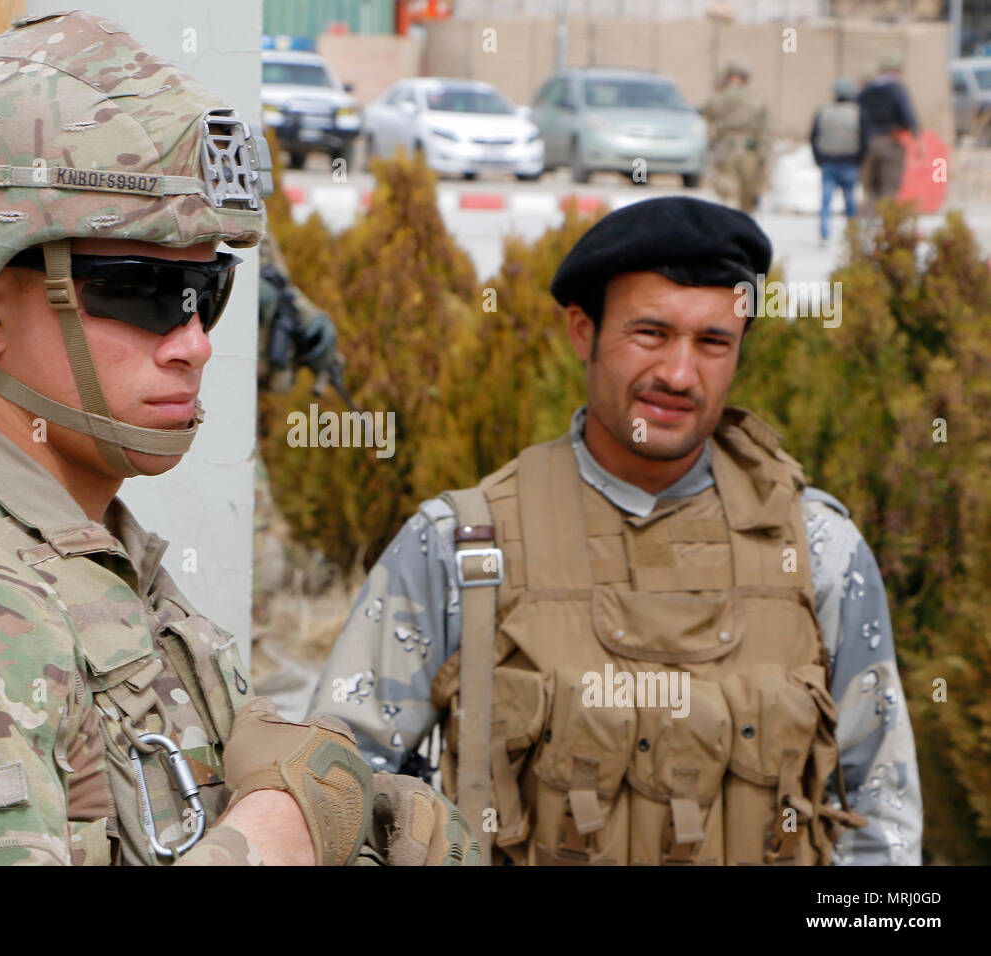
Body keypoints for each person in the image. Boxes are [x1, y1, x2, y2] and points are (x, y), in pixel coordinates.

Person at [0, 10, 476, 868]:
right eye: (138, 289)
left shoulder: (90, 565)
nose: (194, 341)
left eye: (205, 289)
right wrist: (282, 831)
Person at [309, 196, 923, 866]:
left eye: (713, 342)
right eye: (651, 334)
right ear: (583, 331)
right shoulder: (463, 547)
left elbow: (881, 821)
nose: (679, 374)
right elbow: (334, 789)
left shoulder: (818, 552)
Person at [702, 60, 770, 215]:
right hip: (750, 152)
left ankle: (731, 223)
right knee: (747, 198)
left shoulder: (718, 98)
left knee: (729, 194)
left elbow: (707, 123)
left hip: (726, 150)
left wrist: (713, 145)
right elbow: (766, 130)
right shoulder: (757, 100)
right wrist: (763, 155)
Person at [857, 52, 920, 216]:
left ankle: (868, 230)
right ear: (897, 70)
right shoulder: (897, 90)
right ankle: (885, 231)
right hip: (890, 143)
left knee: (870, 189)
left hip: (867, 144)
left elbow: (856, 115)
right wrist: (918, 140)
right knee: (889, 189)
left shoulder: (866, 91)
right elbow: (908, 117)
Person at [811, 77, 869, 243]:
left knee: (826, 200)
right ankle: (852, 234)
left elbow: (814, 136)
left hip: (828, 161)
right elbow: (865, 140)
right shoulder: (857, 112)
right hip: (849, 163)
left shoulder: (823, 111)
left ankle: (824, 232)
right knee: (850, 201)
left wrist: (819, 158)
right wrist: (859, 160)